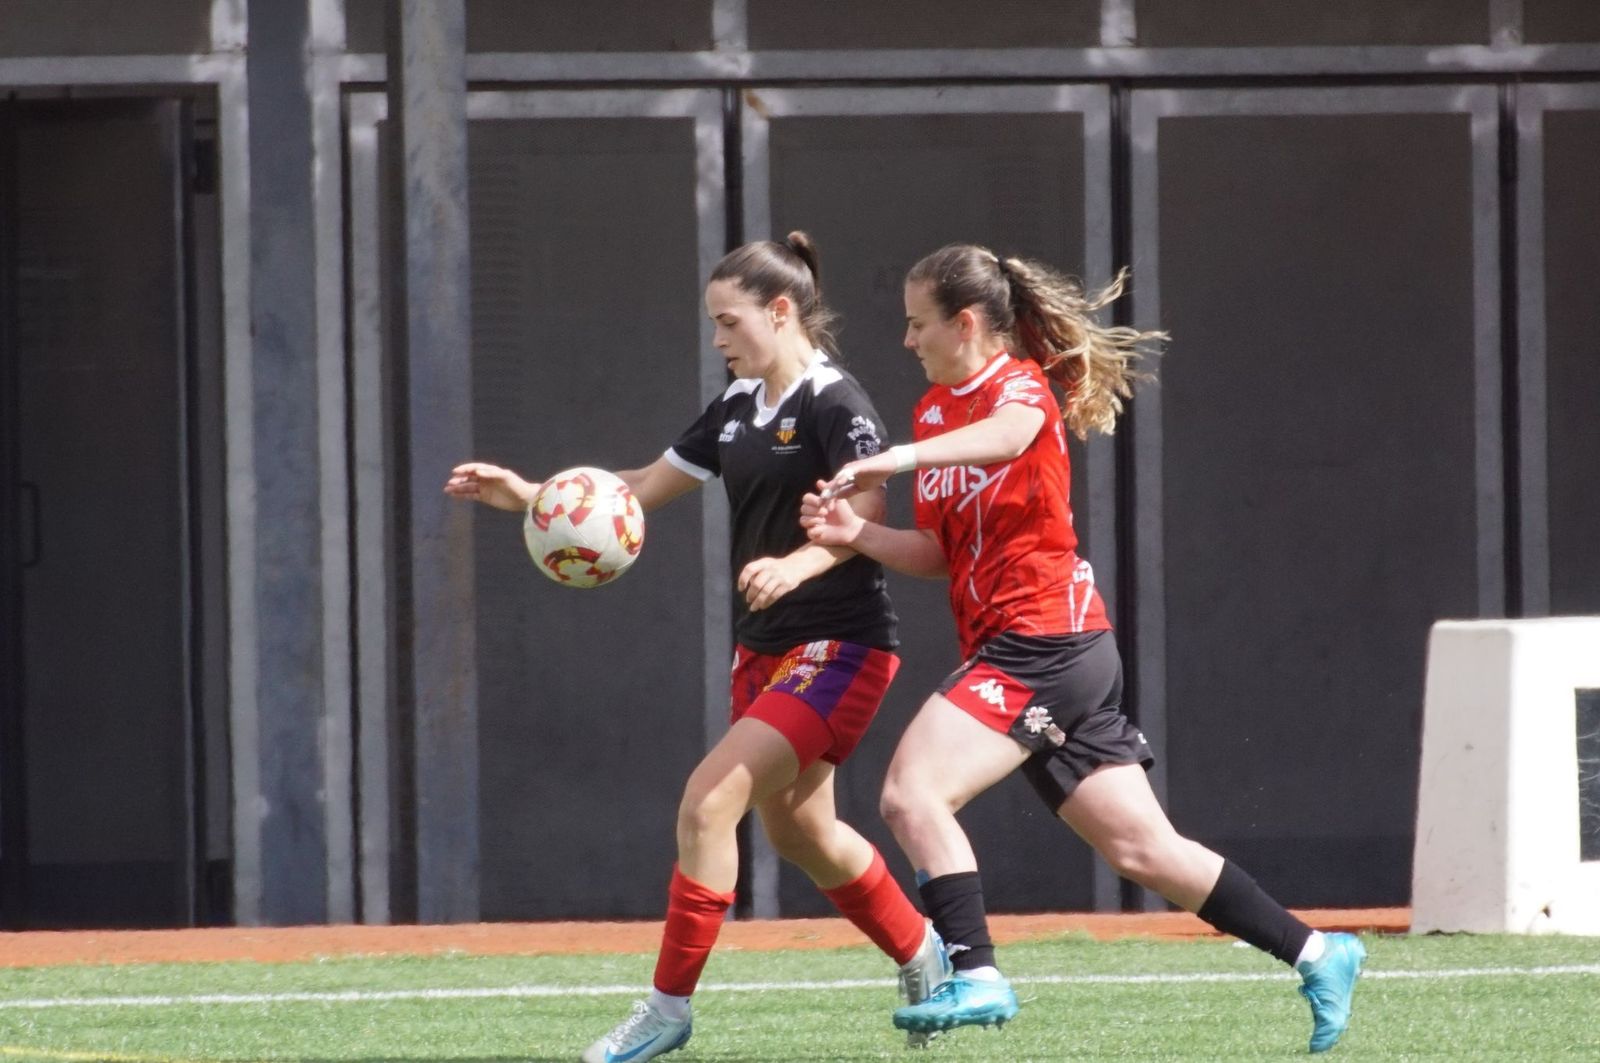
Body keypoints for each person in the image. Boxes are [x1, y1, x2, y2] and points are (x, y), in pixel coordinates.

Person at [801, 243, 1366, 1054]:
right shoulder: (931, 412)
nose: (906, 340)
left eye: (916, 323)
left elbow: (1008, 435)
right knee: (1144, 848)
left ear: (965, 324)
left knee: (911, 793)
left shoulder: (1017, 389)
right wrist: (857, 532)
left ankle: (977, 971)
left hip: (1046, 642)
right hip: (1040, 649)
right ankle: (1319, 951)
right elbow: (936, 552)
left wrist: (901, 457)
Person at [444, 232, 948, 1063]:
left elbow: (873, 523)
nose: (717, 341)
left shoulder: (836, 403)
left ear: (780, 312)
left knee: (707, 802)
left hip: (841, 645)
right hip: (765, 650)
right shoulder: (737, 406)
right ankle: (924, 952)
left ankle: (667, 1009)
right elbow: (637, 489)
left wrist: (797, 562)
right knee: (800, 832)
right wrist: (529, 496)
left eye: (728, 322)